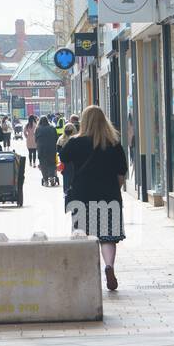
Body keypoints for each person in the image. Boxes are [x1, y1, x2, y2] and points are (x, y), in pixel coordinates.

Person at [64, 106, 128, 291]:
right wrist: (115, 189)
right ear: (104, 120)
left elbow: (63, 156)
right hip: (109, 196)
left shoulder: (76, 143)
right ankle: (109, 266)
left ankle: (87, 275)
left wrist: (73, 135)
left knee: (84, 236)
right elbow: (121, 172)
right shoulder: (114, 143)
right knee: (108, 238)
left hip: (82, 197)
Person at [58, 122, 79, 205]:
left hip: (69, 163)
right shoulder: (76, 139)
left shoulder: (61, 139)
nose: (68, 131)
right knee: (68, 178)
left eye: (69, 130)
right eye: (67, 130)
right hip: (69, 163)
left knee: (68, 178)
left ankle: (68, 193)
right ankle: (68, 193)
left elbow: (59, 151)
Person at [35, 114, 59, 186]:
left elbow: (36, 139)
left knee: (43, 164)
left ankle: (45, 180)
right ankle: (52, 177)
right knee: (52, 163)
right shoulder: (52, 128)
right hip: (51, 149)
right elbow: (56, 138)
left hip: (41, 149)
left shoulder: (38, 129)